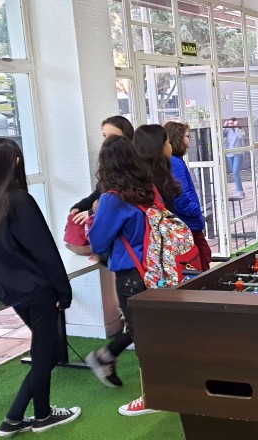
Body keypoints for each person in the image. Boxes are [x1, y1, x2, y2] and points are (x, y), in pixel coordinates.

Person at [0, 138, 81, 436]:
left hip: (11, 293)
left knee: (48, 351)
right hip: (38, 290)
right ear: (15, 162)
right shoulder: (19, 201)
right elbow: (44, 251)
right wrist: (64, 291)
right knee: (47, 353)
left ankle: (15, 419)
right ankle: (40, 416)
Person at [86, 135, 160, 417]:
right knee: (152, 329)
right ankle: (107, 357)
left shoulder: (112, 199)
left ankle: (151, 394)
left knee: (140, 333)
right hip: (158, 268)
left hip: (131, 274)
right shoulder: (148, 189)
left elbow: (98, 242)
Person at [164, 121, 212, 270]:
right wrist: (195, 211)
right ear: (177, 138)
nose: (189, 140)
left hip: (187, 222)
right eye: (187, 136)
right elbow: (180, 196)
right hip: (188, 223)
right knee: (201, 262)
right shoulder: (175, 163)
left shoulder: (175, 161)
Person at [69, 116, 135, 225]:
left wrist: (92, 212)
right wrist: (80, 206)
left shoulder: (135, 164)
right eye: (104, 136)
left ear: (126, 138)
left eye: (112, 136)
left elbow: (122, 199)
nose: (106, 141)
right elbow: (99, 190)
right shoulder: (109, 161)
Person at [224, 117, 246, 198]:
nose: (230, 125)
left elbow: (240, 136)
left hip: (238, 153)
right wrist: (224, 126)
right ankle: (239, 190)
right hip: (229, 154)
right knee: (234, 172)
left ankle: (240, 191)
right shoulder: (228, 130)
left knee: (236, 171)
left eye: (232, 123)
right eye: (229, 124)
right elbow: (220, 135)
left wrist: (236, 127)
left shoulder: (240, 130)